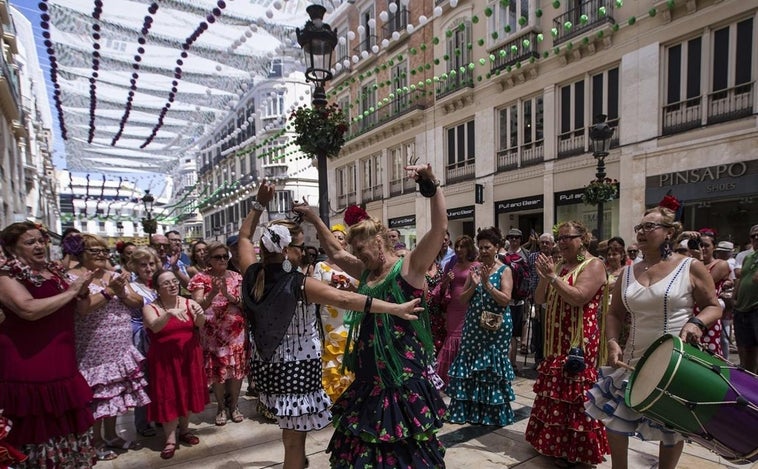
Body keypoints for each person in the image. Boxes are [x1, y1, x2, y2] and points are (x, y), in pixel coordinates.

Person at [240, 181, 427, 469]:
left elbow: (243, 237)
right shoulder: (298, 283)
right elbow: (347, 299)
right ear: (289, 250)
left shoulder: (251, 273)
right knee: (293, 442)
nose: (305, 252)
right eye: (301, 247)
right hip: (297, 370)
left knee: (288, 436)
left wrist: (258, 204)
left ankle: (298, 462)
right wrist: (395, 308)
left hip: (267, 370)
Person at [293, 163, 448, 468]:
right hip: (368, 372)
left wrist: (431, 185)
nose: (358, 255)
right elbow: (336, 255)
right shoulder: (367, 272)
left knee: (403, 444)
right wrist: (313, 217)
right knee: (365, 441)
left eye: (361, 249)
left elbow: (440, 228)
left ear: (379, 241)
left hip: (401, 374)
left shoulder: (410, 267)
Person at [586, 207, 722, 469]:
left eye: (650, 227)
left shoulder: (689, 266)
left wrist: (696, 322)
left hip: (674, 362)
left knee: (671, 429)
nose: (641, 232)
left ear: (669, 232)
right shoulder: (628, 272)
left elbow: (714, 306)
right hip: (633, 359)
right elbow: (614, 314)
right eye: (639, 228)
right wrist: (613, 342)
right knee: (616, 421)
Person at [0, 221, 96, 467]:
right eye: (30, 242)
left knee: (68, 422)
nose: (39, 245)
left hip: (63, 358)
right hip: (30, 361)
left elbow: (81, 310)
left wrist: (82, 292)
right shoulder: (6, 275)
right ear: (12, 249)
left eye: (41, 240)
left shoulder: (54, 271)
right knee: (38, 426)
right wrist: (72, 291)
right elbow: (28, 309)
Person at [525, 220, 610, 467]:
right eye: (559, 238)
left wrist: (552, 277)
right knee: (556, 390)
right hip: (557, 339)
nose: (561, 243)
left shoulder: (594, 265)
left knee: (576, 393)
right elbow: (540, 298)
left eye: (566, 238)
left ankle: (578, 450)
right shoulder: (560, 265)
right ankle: (555, 444)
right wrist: (545, 277)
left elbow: (579, 298)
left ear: (582, 238)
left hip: (578, 340)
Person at [68, 234, 150, 460]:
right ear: (81, 253)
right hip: (92, 345)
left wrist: (121, 290)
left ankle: (112, 434)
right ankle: (95, 441)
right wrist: (110, 291)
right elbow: (83, 309)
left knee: (115, 391)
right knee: (97, 393)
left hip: (119, 343)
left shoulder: (114, 275)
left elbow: (138, 302)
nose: (101, 255)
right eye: (95, 251)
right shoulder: (73, 277)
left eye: (104, 251)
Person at [446, 227, 516, 426]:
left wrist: (488, 285)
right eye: (481, 247)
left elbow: (505, 300)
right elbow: (462, 298)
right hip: (474, 326)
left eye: (488, 247)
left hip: (496, 328)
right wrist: (475, 285)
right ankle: (468, 411)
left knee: (491, 368)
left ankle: (491, 413)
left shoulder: (505, 270)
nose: (484, 250)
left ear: (497, 248)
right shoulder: (474, 270)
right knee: (471, 365)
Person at [143, 270, 208, 460]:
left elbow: (200, 324)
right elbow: (154, 326)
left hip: (189, 355)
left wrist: (200, 315)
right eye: (166, 283)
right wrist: (169, 314)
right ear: (156, 288)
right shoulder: (150, 307)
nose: (172, 285)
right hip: (164, 359)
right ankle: (170, 439)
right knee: (168, 395)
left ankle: (185, 431)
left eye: (174, 281)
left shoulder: (189, 302)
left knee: (187, 393)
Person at [188, 241, 248, 426]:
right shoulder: (200, 278)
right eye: (218, 257)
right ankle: (221, 406)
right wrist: (213, 292)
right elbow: (198, 306)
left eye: (225, 256)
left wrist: (230, 297)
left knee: (237, 371)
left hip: (235, 331)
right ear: (209, 259)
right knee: (218, 371)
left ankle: (234, 405)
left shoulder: (236, 277)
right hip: (213, 332)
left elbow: (244, 303)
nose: (222, 260)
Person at [311, 224, 358, 403]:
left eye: (340, 238)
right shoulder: (321, 266)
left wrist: (352, 288)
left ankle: (351, 391)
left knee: (352, 348)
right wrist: (329, 288)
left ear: (346, 243)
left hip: (352, 315)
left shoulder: (354, 264)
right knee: (333, 350)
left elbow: (363, 289)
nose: (337, 240)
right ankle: (333, 393)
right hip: (330, 316)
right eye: (334, 237)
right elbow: (315, 292)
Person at [435, 234, 478, 385]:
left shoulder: (476, 265)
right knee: (452, 338)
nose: (459, 249)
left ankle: (466, 374)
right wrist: (447, 280)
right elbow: (442, 288)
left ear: (469, 249)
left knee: (466, 339)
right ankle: (449, 377)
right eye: (458, 246)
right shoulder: (451, 265)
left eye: (463, 247)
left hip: (470, 307)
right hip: (453, 307)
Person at [128, 247, 161, 438]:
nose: (148, 268)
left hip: (160, 335)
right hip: (141, 337)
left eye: (151, 264)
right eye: (143, 264)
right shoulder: (131, 286)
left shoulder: (158, 284)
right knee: (144, 380)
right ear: (135, 267)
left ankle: (159, 415)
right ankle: (142, 422)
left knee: (159, 378)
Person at [697, 232, 730, 356]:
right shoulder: (692, 263)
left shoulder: (720, 264)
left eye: (706, 245)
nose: (702, 248)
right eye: (700, 245)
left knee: (709, 352)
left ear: (714, 247)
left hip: (708, 313)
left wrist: (698, 259)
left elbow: (704, 284)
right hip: (691, 312)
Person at [527, 233, 555, 367]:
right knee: (537, 328)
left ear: (552, 245)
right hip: (537, 296)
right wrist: (532, 294)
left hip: (551, 297)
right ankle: (538, 358)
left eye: (547, 243)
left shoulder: (556, 258)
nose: (544, 245)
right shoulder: (533, 257)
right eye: (542, 242)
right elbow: (531, 276)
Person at [733, 223, 758, 374]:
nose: (756, 238)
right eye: (753, 236)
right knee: (745, 350)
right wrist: (734, 298)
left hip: (756, 308)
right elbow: (742, 279)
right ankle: (748, 385)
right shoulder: (748, 257)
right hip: (742, 308)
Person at [504, 228, 529, 368]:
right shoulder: (503, 256)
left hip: (520, 300)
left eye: (517, 237)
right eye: (511, 237)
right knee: (507, 333)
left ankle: (512, 363)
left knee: (515, 333)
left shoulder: (527, 255)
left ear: (520, 239)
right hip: (505, 299)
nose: (514, 240)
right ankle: (508, 363)